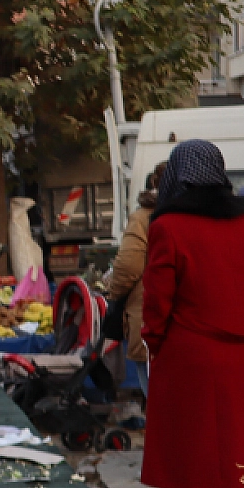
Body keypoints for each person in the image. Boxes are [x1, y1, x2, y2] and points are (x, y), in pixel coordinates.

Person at [139, 140, 244, 488]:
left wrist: (155, 344)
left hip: (194, 359)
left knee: (202, 462)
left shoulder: (169, 227)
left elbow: (157, 304)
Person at [106, 164, 164, 397]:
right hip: (194, 327)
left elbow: (128, 266)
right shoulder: (204, 216)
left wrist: (114, 293)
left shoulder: (144, 218)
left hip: (148, 319)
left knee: (157, 398)